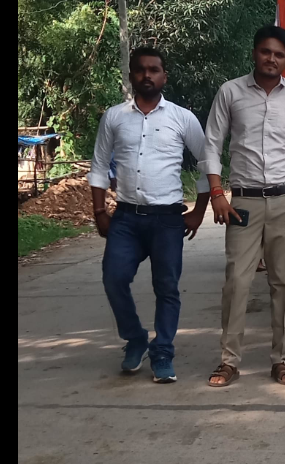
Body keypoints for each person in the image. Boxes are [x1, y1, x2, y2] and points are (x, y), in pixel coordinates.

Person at [201, 26, 285, 389]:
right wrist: (217, 192)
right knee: (237, 281)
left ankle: (281, 359)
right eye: (266, 52)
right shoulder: (231, 92)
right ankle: (229, 361)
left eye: (279, 54)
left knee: (283, 282)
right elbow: (212, 143)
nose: (272, 59)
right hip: (243, 201)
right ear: (254, 53)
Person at [88, 47, 210, 384]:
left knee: (166, 287)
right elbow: (99, 166)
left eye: (154, 70)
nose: (147, 75)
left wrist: (199, 212)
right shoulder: (114, 117)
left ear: (164, 76)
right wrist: (99, 210)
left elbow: (207, 165)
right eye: (140, 69)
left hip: (167, 219)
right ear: (131, 75)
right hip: (126, 218)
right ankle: (135, 337)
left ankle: (163, 352)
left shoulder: (182, 118)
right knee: (113, 278)